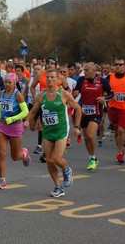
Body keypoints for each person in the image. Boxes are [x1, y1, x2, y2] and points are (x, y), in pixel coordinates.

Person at [27, 69, 81, 198]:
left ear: (58, 80)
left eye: (52, 77)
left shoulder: (63, 94)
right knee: (49, 160)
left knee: (57, 158)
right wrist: (27, 121)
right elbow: (34, 111)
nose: (49, 79)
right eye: (48, 78)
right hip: (47, 131)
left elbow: (77, 108)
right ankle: (58, 186)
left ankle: (66, 170)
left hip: (61, 130)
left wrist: (77, 126)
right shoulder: (41, 95)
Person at [73, 62, 113, 171]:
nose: (84, 72)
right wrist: (75, 93)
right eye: (83, 70)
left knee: (90, 135)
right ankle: (92, 157)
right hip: (84, 111)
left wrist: (104, 99)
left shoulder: (102, 81)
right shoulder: (81, 80)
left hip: (96, 112)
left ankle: (93, 157)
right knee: (87, 138)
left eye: (86, 70)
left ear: (93, 71)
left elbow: (111, 93)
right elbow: (76, 91)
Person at [0, 72, 31, 189]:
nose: (7, 84)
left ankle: (24, 154)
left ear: (15, 84)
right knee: (1, 153)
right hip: (2, 126)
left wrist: (13, 118)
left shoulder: (18, 95)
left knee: (15, 157)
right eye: (5, 82)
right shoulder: (0, 94)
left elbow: (25, 112)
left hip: (15, 127)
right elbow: (0, 110)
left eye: (10, 82)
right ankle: (2, 180)